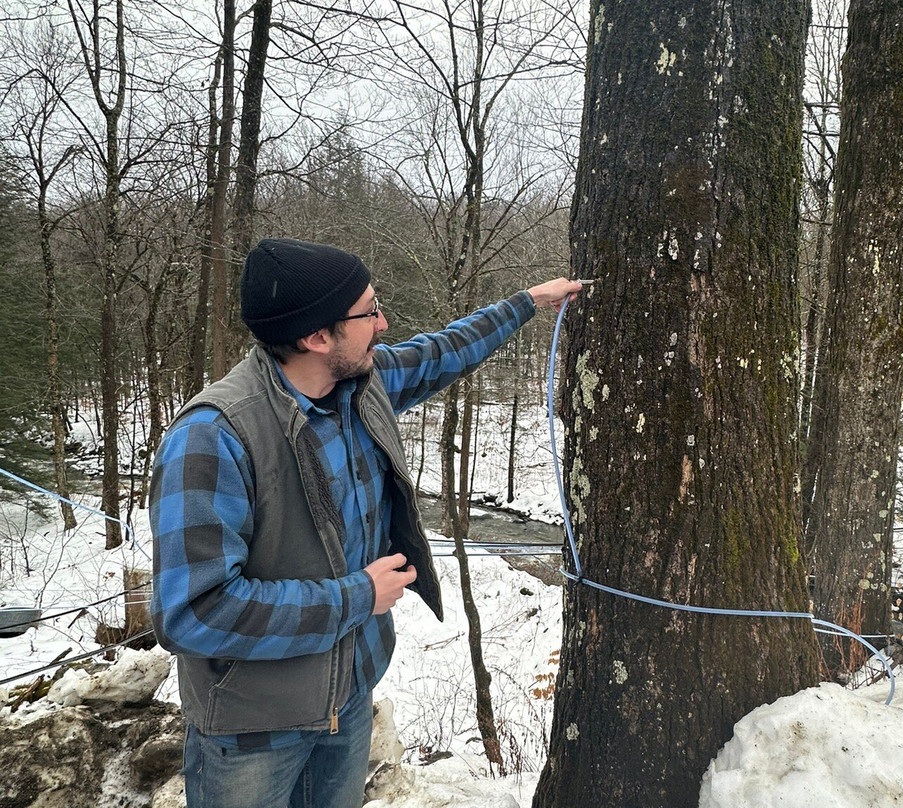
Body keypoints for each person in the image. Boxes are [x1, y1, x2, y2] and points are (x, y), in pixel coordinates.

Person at [149, 237, 581, 808]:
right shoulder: (213, 437)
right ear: (316, 337)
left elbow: (442, 352)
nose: (383, 323)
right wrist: (356, 598)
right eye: (369, 311)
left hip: (350, 699)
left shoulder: (360, 386)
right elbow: (193, 612)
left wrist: (527, 302)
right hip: (254, 731)